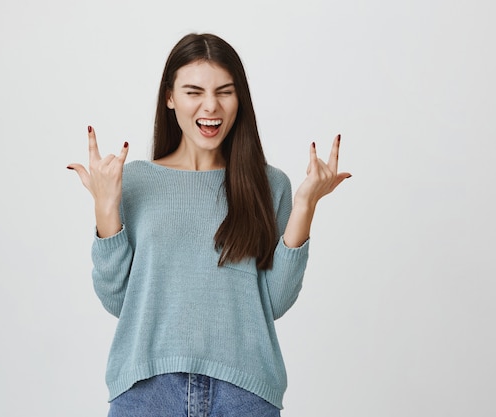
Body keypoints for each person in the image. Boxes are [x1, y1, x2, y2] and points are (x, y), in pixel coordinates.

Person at [67, 33, 351, 417]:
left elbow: (274, 303)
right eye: (193, 91)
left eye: (224, 91)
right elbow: (118, 300)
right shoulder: (133, 181)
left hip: (244, 391)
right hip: (147, 391)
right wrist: (105, 206)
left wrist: (305, 205)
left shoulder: (270, 185)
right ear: (170, 97)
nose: (211, 106)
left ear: (240, 98)